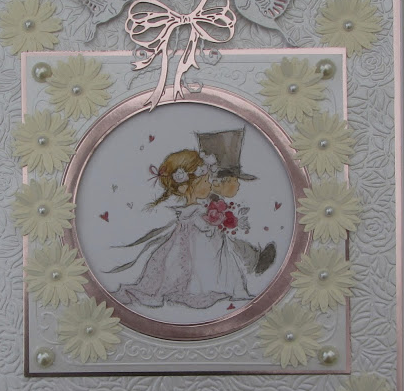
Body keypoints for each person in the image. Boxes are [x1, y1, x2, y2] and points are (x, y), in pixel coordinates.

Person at [106, 149, 253, 309]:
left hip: (209, 246)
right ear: (184, 188)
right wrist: (213, 224)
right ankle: (200, 288)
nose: (209, 184)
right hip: (196, 246)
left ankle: (220, 285)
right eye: (205, 181)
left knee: (216, 264)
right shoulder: (193, 211)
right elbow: (201, 227)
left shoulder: (201, 207)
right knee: (194, 266)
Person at [197, 128, 276, 275]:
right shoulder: (209, 197)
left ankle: (254, 261)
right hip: (207, 236)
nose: (238, 185)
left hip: (215, 234)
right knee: (230, 247)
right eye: (233, 180)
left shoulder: (212, 195)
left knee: (233, 245)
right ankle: (253, 262)